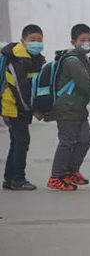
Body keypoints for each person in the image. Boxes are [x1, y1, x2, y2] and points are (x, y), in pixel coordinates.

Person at [45, 24, 90, 191]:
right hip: (67, 108)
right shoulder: (72, 61)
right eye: (83, 40)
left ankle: (70, 171)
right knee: (67, 142)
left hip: (78, 108)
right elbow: (87, 85)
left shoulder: (84, 59)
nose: (87, 43)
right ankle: (56, 177)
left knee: (85, 139)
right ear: (73, 42)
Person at [1, 24, 46, 190]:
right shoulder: (17, 59)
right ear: (23, 41)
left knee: (16, 142)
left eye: (39, 40)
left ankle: (9, 179)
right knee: (22, 141)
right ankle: (18, 179)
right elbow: (20, 89)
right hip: (12, 107)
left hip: (19, 107)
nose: (36, 43)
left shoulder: (33, 59)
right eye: (32, 40)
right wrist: (31, 109)